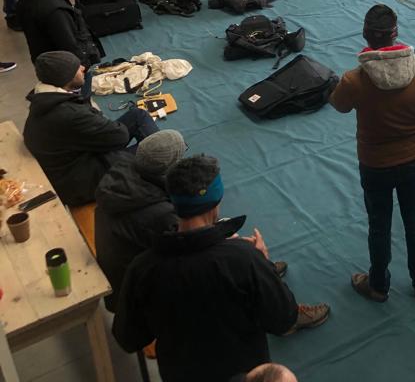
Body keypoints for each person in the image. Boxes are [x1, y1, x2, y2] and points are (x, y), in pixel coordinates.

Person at [113, 155, 330, 382]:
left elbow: (128, 338)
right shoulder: (244, 259)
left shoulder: (142, 268)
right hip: (243, 372)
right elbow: (283, 319)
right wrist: (264, 264)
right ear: (217, 201)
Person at [329, 5, 415, 302]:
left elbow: (338, 104)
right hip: (414, 160)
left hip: (375, 165)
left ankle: (378, 285)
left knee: (378, 224)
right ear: (396, 34)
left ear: (366, 36)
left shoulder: (354, 80)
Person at [23, 51, 158, 206]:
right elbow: (119, 137)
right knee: (161, 149)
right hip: (81, 180)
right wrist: (97, 118)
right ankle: (160, 181)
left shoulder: (43, 97)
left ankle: (152, 174)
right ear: (65, 77)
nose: (83, 68)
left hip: (76, 160)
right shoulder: (70, 113)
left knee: (138, 115)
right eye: (76, 68)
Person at [95, 130, 187, 310]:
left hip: (115, 270)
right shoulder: (161, 213)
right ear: (172, 166)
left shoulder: (119, 172)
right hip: (130, 295)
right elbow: (185, 253)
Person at [15, 0, 103, 98]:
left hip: (45, 61)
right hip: (67, 70)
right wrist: (82, 66)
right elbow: (69, 44)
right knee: (78, 100)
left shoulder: (26, 0)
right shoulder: (55, 12)